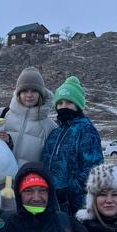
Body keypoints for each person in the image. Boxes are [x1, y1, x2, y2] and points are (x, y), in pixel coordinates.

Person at [42, 75, 104, 212]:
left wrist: (69, 191)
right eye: (60, 103)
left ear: (78, 105)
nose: (63, 106)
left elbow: (94, 169)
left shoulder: (86, 130)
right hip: (50, 200)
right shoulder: (55, 132)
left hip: (75, 204)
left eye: (69, 102)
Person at [0, 67, 55, 165]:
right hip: (0, 174)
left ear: (40, 94)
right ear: (18, 93)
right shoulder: (1, 115)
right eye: (25, 90)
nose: (29, 95)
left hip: (30, 175)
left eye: (34, 91)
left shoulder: (50, 127)